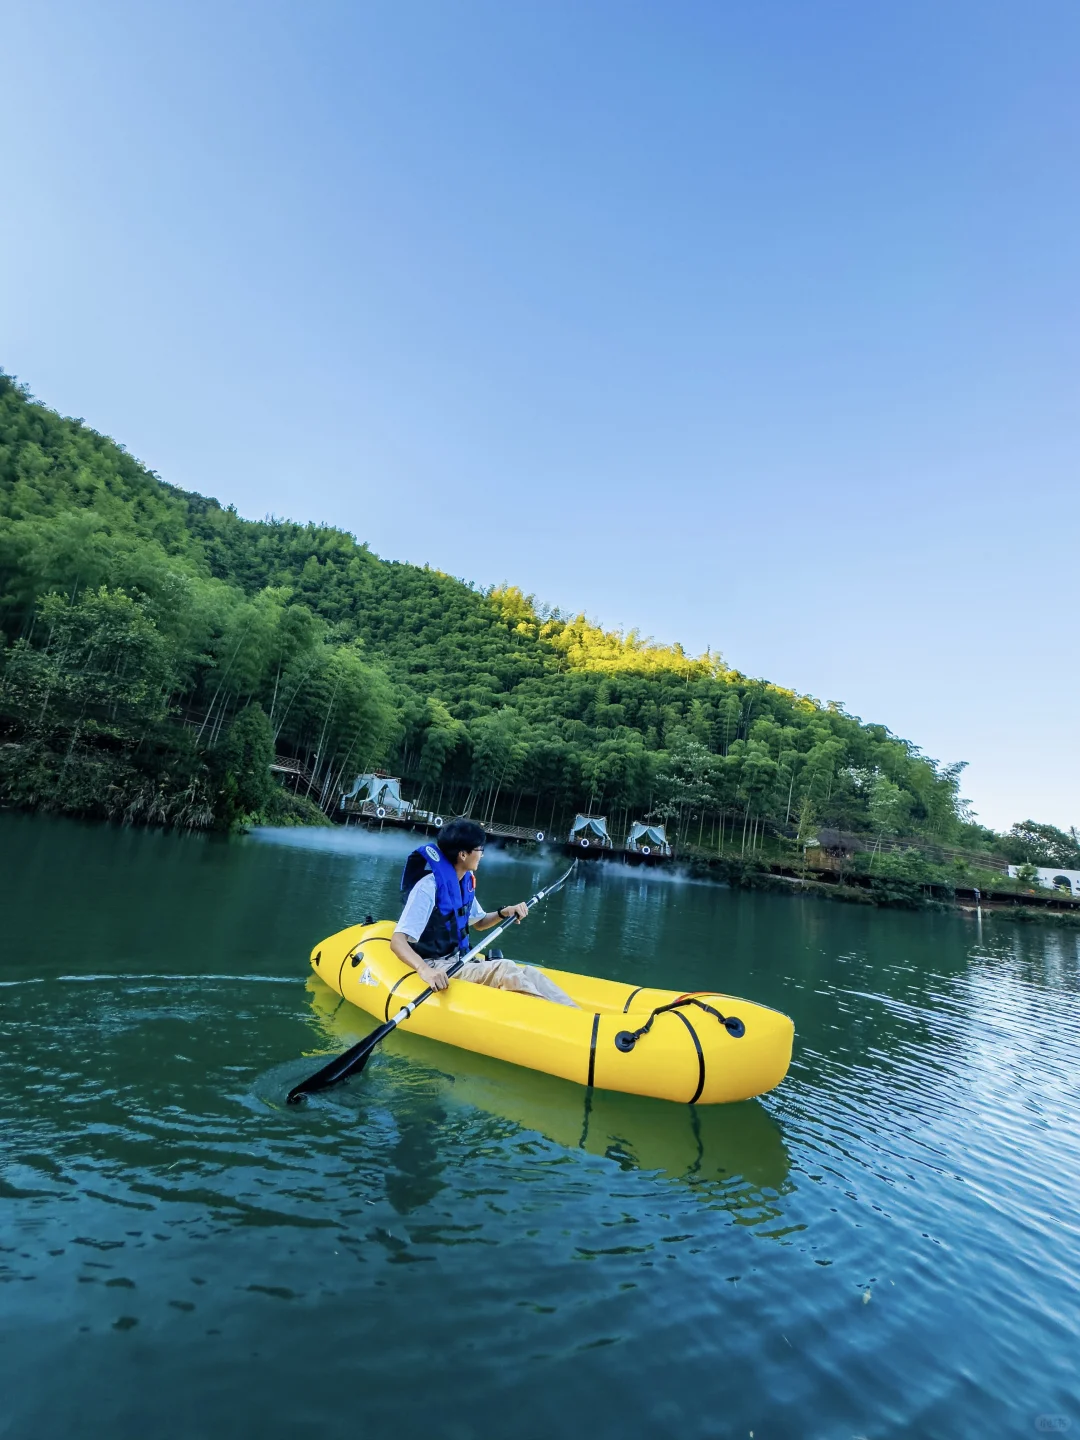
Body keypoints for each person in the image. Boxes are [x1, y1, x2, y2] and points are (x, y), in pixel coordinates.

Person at [391, 818, 578, 1008]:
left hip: (459, 958)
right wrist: (424, 970)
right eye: (480, 850)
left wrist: (504, 913)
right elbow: (397, 941)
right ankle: (550, 1017)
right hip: (436, 964)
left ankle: (576, 1015)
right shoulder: (427, 888)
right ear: (463, 854)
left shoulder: (464, 882)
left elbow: (479, 922)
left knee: (530, 972)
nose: (482, 855)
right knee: (504, 968)